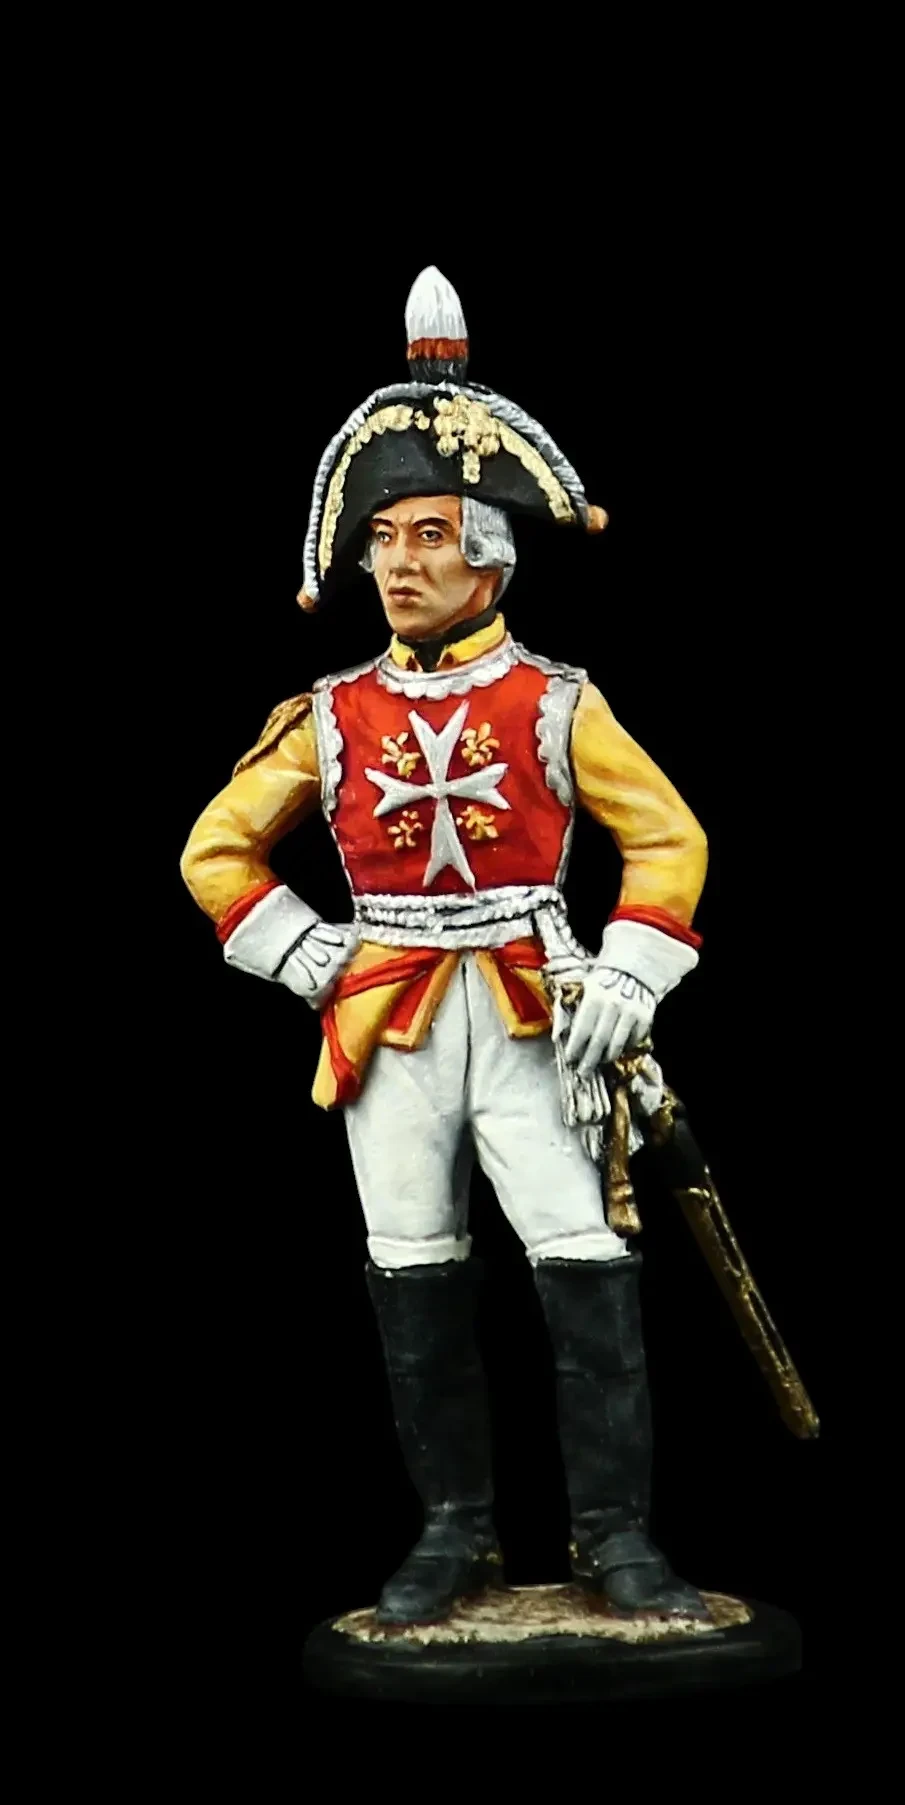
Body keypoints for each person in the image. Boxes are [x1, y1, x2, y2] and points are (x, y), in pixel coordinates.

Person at [180, 269, 710, 1626]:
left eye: (427, 536)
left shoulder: (556, 701)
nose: (401, 565)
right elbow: (215, 853)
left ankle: (615, 1538)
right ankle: (454, 1533)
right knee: (412, 1268)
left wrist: (629, 971)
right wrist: (310, 958)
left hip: (537, 1011)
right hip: (386, 1021)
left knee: (582, 1262)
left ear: (491, 556)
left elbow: (668, 840)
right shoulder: (329, 715)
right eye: (382, 540)